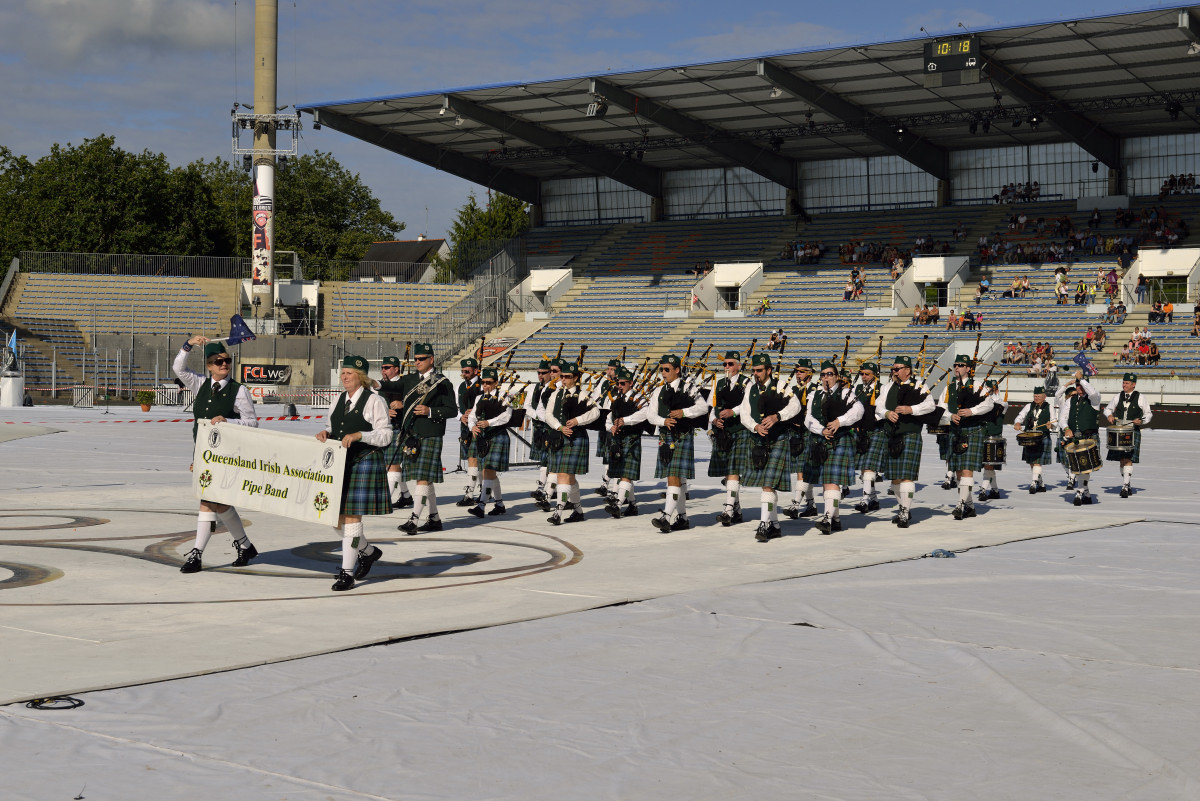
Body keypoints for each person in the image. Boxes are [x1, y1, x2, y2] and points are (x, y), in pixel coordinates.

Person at [173, 337, 259, 574]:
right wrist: (188, 344)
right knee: (219, 504)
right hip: (203, 453)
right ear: (209, 365)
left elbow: (252, 423)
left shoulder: (238, 390)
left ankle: (197, 554)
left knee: (207, 500)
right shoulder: (199, 383)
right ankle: (245, 545)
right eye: (217, 361)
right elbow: (178, 368)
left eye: (227, 360)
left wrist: (228, 420)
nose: (223, 364)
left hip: (227, 455)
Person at [315, 354, 394, 592]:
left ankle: (346, 573)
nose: (344, 377)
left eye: (349, 373)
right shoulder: (339, 399)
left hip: (365, 461)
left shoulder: (374, 401)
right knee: (335, 518)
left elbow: (386, 435)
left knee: (351, 519)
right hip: (340, 463)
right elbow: (334, 426)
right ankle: (368, 552)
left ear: (360, 377)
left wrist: (362, 435)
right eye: (343, 373)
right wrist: (326, 434)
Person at [738, 353, 802, 542]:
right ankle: (773, 524)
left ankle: (764, 523)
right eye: (754, 370)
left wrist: (777, 417)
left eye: (759, 370)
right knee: (767, 485)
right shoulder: (750, 388)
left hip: (779, 438)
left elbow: (796, 405)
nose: (756, 374)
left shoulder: (782, 386)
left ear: (769, 370)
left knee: (768, 484)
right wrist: (755, 426)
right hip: (758, 439)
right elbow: (744, 414)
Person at [395, 343, 457, 534]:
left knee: (422, 479)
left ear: (431, 360)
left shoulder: (442, 382)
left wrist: (431, 411)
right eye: (415, 359)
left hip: (431, 435)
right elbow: (390, 385)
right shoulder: (410, 379)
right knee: (426, 480)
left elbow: (452, 410)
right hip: (413, 436)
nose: (417, 362)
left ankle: (413, 520)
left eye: (421, 359)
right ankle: (434, 518)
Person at [645, 353, 709, 531]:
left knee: (673, 477)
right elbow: (651, 415)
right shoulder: (659, 391)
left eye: (667, 370)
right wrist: (663, 421)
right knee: (676, 478)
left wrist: (684, 412)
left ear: (677, 370)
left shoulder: (688, 387)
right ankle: (682, 518)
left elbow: (703, 408)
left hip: (682, 435)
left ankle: (666, 516)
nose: (663, 373)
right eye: (662, 369)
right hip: (665, 436)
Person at [803, 361, 864, 533]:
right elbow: (808, 418)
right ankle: (835, 518)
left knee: (832, 481)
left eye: (830, 374)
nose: (826, 377)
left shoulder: (846, 393)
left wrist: (839, 422)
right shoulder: (814, 395)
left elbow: (858, 410)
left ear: (837, 377)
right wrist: (821, 430)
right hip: (820, 440)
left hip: (841, 439)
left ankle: (828, 518)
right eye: (823, 374)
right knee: (826, 482)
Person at [876, 356, 935, 528]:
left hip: (910, 434)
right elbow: (879, 406)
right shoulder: (887, 387)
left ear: (907, 370)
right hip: (891, 436)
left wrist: (911, 409)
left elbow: (930, 405)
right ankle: (904, 508)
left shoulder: (919, 386)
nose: (893, 372)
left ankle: (903, 513)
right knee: (894, 478)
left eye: (897, 369)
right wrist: (887, 413)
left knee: (907, 477)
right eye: (892, 369)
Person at [544, 359, 600, 524]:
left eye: (567, 376)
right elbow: (548, 415)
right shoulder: (556, 394)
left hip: (576, 439)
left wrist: (577, 420)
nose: (563, 379)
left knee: (563, 475)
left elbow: (595, 412)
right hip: (559, 437)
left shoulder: (582, 395)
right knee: (570, 478)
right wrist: (559, 427)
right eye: (562, 376)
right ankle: (578, 511)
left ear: (576, 378)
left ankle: (557, 512)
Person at [945, 355, 995, 520]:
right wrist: (950, 416)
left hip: (973, 430)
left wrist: (971, 411)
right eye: (956, 364)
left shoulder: (978, 385)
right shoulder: (949, 387)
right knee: (959, 471)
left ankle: (960, 505)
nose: (957, 367)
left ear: (968, 368)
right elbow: (941, 407)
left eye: (961, 365)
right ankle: (970, 506)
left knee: (967, 470)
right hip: (956, 431)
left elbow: (989, 404)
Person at [708, 351, 752, 526]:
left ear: (739, 366)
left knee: (733, 470)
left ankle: (727, 510)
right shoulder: (718, 384)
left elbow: (749, 404)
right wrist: (714, 419)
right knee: (729, 472)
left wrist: (733, 411)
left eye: (730, 364)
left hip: (740, 430)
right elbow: (712, 407)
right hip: (723, 432)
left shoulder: (747, 383)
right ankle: (737, 510)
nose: (727, 367)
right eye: (725, 364)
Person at [465, 367, 513, 517]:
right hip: (482, 437)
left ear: (496, 382)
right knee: (489, 472)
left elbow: (507, 416)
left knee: (488, 471)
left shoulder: (505, 396)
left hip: (497, 435)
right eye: (483, 382)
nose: (485, 385)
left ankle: (481, 505)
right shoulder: (479, 398)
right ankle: (499, 505)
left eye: (489, 382)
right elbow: (472, 415)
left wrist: (489, 423)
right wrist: (472, 426)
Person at [605, 368, 649, 518]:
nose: (620, 386)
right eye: (618, 383)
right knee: (622, 474)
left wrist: (626, 420)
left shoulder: (639, 398)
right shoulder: (617, 399)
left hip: (632, 438)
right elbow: (609, 418)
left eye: (623, 383)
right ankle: (632, 505)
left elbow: (644, 413)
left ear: (630, 383)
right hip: (618, 439)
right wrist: (610, 427)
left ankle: (617, 504)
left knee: (626, 474)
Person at [1104, 372, 1152, 498]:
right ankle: (1127, 483)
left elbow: (1148, 413)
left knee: (1128, 459)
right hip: (1118, 430)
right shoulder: (1117, 396)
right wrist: (1109, 415)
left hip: (1132, 431)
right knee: (1122, 459)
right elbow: (1107, 409)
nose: (1124, 385)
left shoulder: (1141, 397)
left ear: (1133, 384)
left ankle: (1125, 486)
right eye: (1123, 382)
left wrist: (1141, 420)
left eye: (1126, 383)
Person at [1059, 370, 1103, 505]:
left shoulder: (1094, 399)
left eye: (1081, 385)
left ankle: (1079, 493)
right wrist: (1066, 428)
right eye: (1077, 385)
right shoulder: (1071, 400)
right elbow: (1063, 418)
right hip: (1075, 438)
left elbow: (1093, 392)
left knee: (1085, 465)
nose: (1079, 388)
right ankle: (1087, 494)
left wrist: (1082, 379)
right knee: (1077, 466)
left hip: (1089, 437)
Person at [375, 356, 414, 510]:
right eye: (382, 367)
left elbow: (418, 402)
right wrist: (385, 411)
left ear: (396, 369)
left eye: (387, 367)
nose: (383, 370)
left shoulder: (406, 383)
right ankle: (406, 496)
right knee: (389, 464)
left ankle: (385, 500)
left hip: (401, 428)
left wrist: (402, 404)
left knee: (393, 464)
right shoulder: (380, 385)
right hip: (384, 428)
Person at [782, 358, 819, 519]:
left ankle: (795, 504)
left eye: (802, 371)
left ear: (810, 373)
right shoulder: (793, 389)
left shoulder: (816, 390)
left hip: (809, 433)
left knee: (803, 471)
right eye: (797, 371)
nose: (798, 374)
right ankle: (811, 505)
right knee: (801, 470)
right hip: (794, 433)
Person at [852, 362, 887, 513]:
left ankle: (865, 499)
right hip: (862, 432)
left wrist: (875, 418)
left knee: (868, 467)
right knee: (864, 468)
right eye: (862, 374)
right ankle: (873, 499)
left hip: (877, 430)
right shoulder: (857, 389)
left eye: (867, 374)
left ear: (875, 375)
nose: (864, 377)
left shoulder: (883, 388)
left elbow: (886, 408)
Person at [525, 359, 558, 509]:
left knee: (551, 461)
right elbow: (528, 406)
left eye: (543, 373)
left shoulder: (556, 388)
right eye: (539, 373)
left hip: (553, 427)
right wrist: (537, 416)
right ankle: (543, 488)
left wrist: (548, 419)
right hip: (539, 426)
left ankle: (549, 490)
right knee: (544, 460)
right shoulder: (535, 388)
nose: (541, 375)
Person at [1014, 386, 1055, 493]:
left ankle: (1033, 483)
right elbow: (1020, 416)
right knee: (1032, 462)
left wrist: (1051, 425)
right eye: (1035, 396)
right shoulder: (1029, 406)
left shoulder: (1049, 407)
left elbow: (1055, 421)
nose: (1036, 398)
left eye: (1039, 396)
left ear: (1044, 397)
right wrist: (1017, 423)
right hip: (1029, 437)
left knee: (1037, 462)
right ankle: (1041, 484)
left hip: (1042, 437)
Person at [455, 357, 483, 507]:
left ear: (475, 371)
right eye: (463, 371)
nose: (464, 374)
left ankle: (471, 493)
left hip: (479, 426)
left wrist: (474, 413)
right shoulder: (460, 386)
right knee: (472, 460)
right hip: (465, 427)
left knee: (475, 459)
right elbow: (455, 407)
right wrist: (462, 417)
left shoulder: (483, 385)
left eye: (467, 371)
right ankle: (481, 491)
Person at [976, 380, 1006, 501]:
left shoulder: (1003, 403)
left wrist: (994, 394)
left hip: (994, 438)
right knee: (989, 467)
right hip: (982, 436)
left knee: (989, 466)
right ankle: (995, 491)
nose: (988, 391)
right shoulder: (982, 402)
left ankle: (983, 490)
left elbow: (998, 403)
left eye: (991, 389)